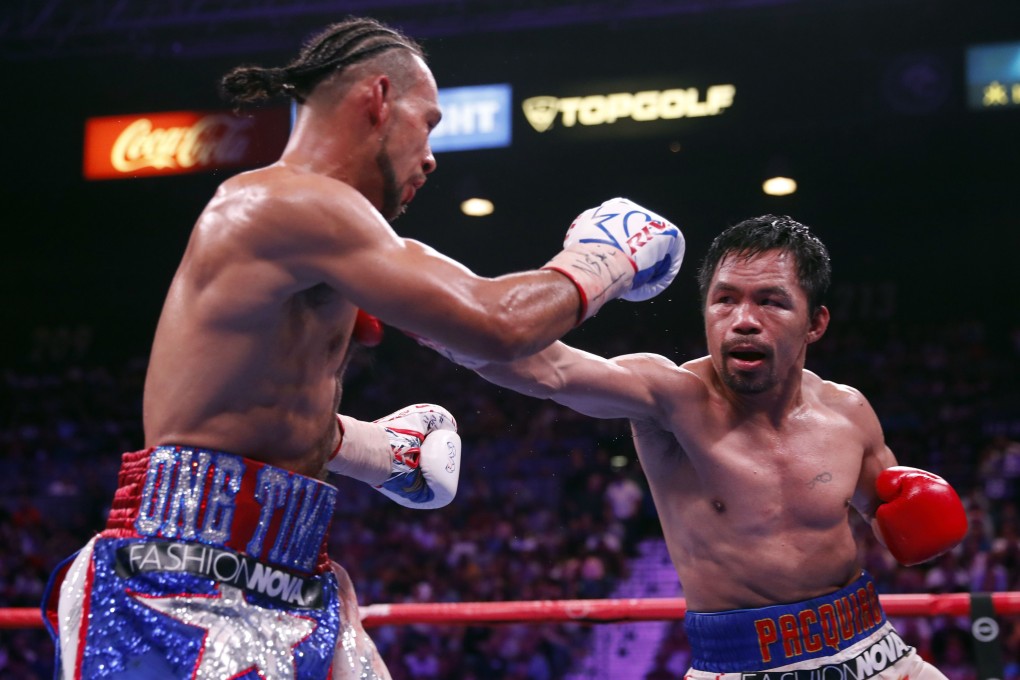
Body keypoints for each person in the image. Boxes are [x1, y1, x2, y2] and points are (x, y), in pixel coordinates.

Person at [40, 16, 684, 680]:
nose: (432, 155)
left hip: (292, 580)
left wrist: (378, 451)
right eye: (427, 122)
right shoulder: (281, 205)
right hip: (175, 579)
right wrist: (606, 258)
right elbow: (498, 322)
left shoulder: (341, 245)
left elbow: (524, 359)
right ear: (377, 98)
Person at [460, 215, 969, 678]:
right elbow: (544, 369)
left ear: (815, 322)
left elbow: (895, 525)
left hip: (873, 651)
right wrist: (425, 316)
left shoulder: (849, 410)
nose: (743, 319)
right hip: (740, 666)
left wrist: (918, 520)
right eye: (725, 299)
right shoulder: (669, 398)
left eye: (770, 301)